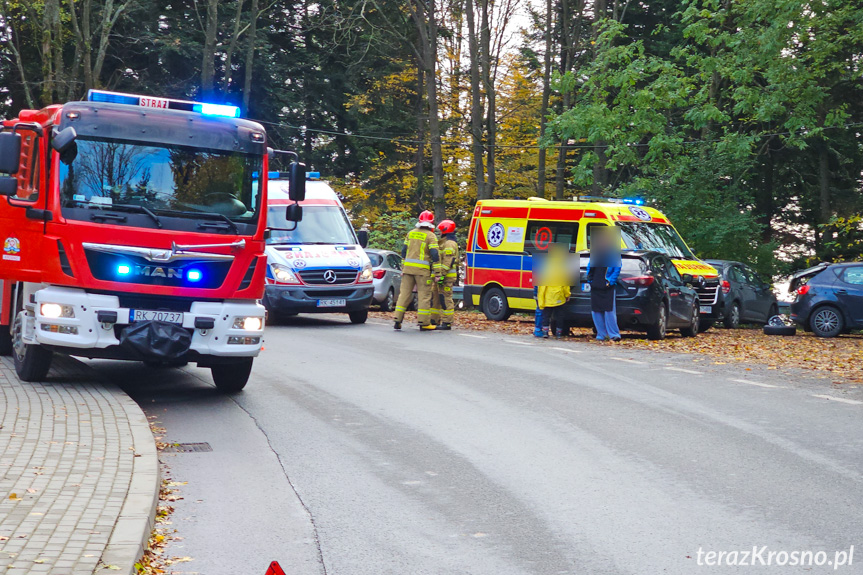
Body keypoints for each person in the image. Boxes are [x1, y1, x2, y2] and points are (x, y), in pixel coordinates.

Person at [393, 210, 441, 331]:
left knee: (404, 294)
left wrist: (403, 268)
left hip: (408, 270)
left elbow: (404, 251)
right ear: (431, 222)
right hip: (422, 271)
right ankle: (424, 323)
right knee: (424, 296)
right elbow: (435, 255)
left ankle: (397, 319)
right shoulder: (431, 236)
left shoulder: (410, 233)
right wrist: (437, 273)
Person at [586, 228, 622, 341]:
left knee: (609, 311)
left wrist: (611, 281)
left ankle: (613, 334)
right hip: (595, 283)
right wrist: (590, 280)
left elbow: (617, 269)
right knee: (596, 310)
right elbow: (589, 267)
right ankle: (601, 334)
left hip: (607, 285)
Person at [535, 244, 571, 338]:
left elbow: (541, 286)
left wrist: (541, 299)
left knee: (546, 315)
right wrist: (567, 295)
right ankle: (559, 334)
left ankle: (545, 332)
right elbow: (565, 284)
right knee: (559, 316)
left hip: (548, 297)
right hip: (559, 297)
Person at [434, 219, 459, 330]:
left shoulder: (449, 244)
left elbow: (447, 262)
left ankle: (447, 322)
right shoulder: (446, 242)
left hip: (447, 277)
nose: (439, 233)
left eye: (440, 230)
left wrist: (441, 275)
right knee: (442, 298)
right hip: (446, 276)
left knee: (446, 299)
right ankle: (442, 320)